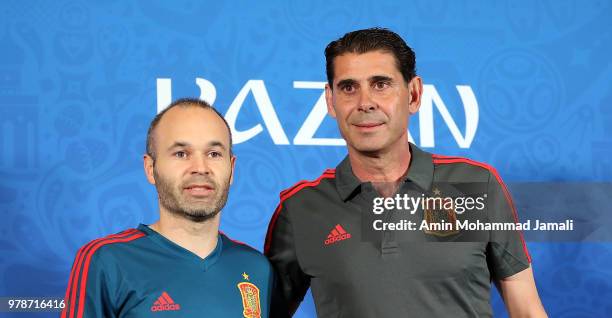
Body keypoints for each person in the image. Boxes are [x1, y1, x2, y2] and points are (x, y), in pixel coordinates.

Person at [265, 28, 547, 317]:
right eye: (349, 87)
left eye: (381, 84)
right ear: (330, 100)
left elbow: (526, 309)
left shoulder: (474, 184)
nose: (365, 102)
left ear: (413, 94)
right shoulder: (300, 208)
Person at [62, 98, 275, 318]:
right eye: (181, 153)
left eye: (213, 154)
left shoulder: (257, 268)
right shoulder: (107, 261)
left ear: (231, 168)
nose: (200, 168)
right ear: (150, 168)